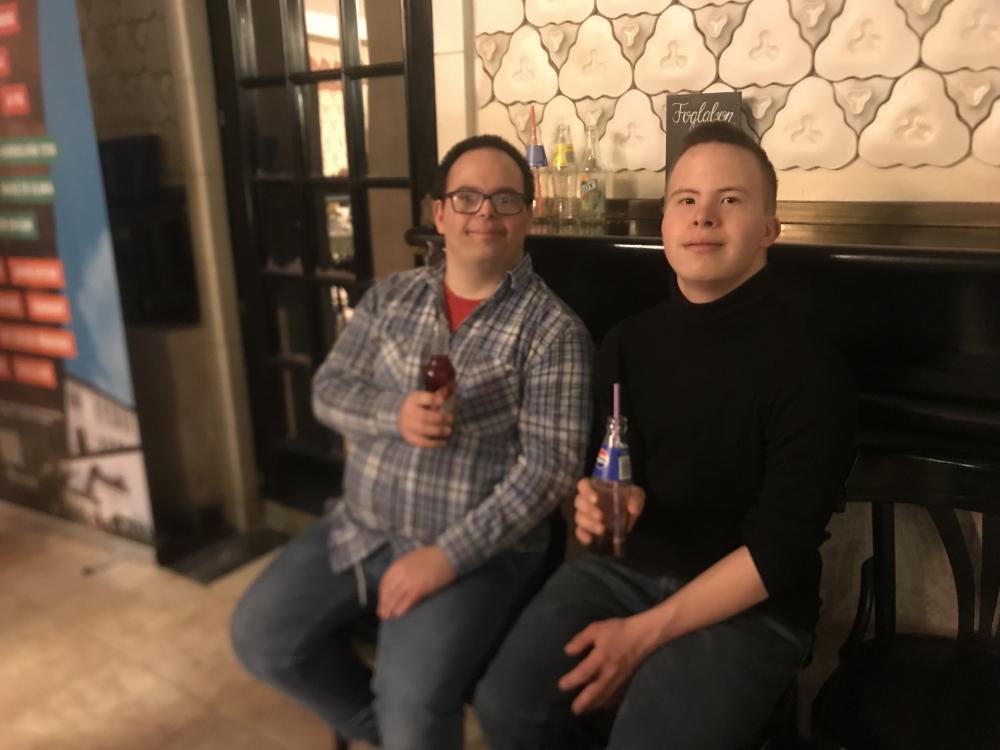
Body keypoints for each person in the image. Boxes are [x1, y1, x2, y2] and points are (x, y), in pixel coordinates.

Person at [474, 122, 856, 749]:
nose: (703, 215)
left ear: (769, 228)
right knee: (504, 704)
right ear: (665, 222)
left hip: (752, 605)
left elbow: (778, 553)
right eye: (686, 199)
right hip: (626, 571)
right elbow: (611, 476)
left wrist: (642, 635)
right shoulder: (627, 342)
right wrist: (602, 505)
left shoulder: (811, 368)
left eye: (729, 199)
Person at [230, 135, 592, 750]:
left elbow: (549, 471)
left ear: (528, 215)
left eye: (506, 199)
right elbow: (329, 390)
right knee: (260, 638)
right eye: (468, 197)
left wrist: (443, 557)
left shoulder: (553, 330)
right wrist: (392, 414)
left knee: (413, 705)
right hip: (362, 525)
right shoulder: (390, 298)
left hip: (475, 551)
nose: (485, 213)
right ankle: (386, 735)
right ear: (440, 213)